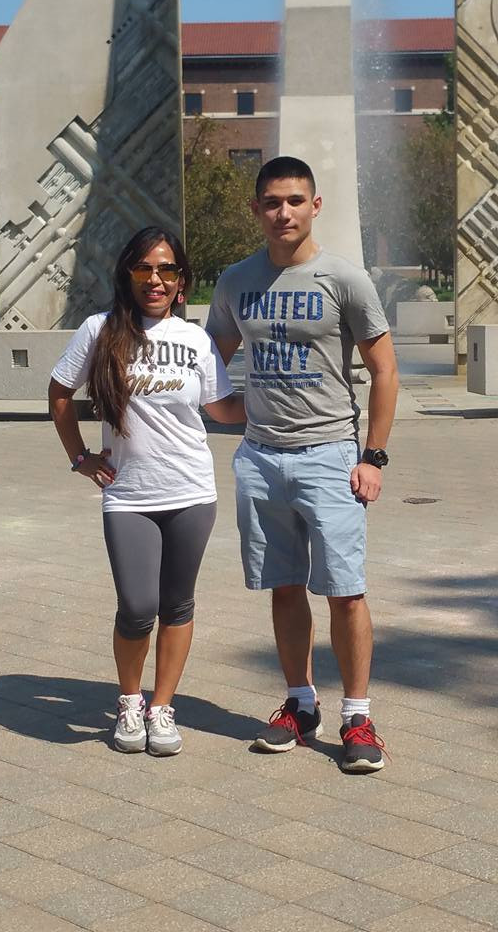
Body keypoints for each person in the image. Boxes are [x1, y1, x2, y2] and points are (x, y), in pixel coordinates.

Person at [206, 156, 398, 772]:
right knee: (285, 587)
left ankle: (359, 717)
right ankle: (299, 701)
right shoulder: (237, 281)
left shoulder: (343, 278)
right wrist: (228, 410)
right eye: (271, 201)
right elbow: (209, 359)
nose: (282, 212)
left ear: (315, 205)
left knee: (345, 591)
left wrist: (373, 456)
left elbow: (385, 369)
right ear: (256, 209)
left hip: (330, 456)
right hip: (261, 459)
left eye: (294, 200)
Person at [49, 226, 245, 757]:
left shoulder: (195, 339)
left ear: (182, 281)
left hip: (191, 491)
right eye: (145, 268)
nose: (155, 279)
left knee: (177, 604)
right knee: (137, 606)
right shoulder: (99, 331)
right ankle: (129, 701)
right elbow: (60, 394)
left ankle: (162, 707)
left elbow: (221, 408)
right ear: (128, 273)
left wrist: (276, 403)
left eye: (167, 270)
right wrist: (80, 458)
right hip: (129, 494)